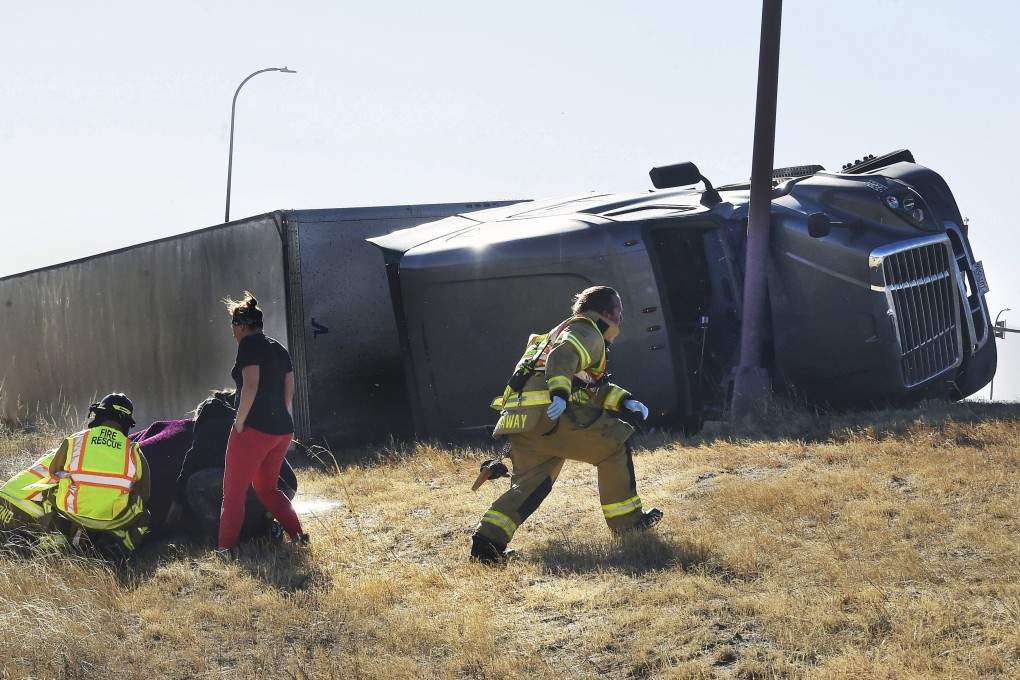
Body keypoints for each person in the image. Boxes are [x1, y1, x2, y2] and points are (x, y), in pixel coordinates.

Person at [470, 285, 662, 564]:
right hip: (551, 415)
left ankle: (486, 545)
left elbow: (588, 387)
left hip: (522, 422)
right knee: (613, 446)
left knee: (530, 485)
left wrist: (624, 401)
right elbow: (562, 360)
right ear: (607, 313)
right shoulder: (588, 330)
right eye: (619, 312)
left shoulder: (555, 333)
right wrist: (559, 395)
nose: (621, 318)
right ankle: (628, 526)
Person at [219, 291, 307, 549]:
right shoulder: (278, 347)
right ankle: (300, 538)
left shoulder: (248, 345)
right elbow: (289, 388)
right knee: (267, 489)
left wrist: (239, 422)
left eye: (233, 327)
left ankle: (224, 549)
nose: (233, 333)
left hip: (254, 430)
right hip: (282, 429)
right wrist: (278, 414)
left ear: (241, 325)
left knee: (233, 494)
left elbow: (251, 384)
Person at [21, 393, 151, 560]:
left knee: (50, 488)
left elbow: (54, 471)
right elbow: (144, 493)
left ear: (100, 414)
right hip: (114, 519)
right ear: (126, 423)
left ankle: (57, 541)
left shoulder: (75, 440)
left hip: (72, 513)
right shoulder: (134, 450)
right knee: (144, 515)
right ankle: (118, 546)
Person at [162, 389, 299, 545]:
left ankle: (226, 541)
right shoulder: (246, 421)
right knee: (237, 490)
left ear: (200, 417)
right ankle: (262, 529)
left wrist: (175, 504)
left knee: (196, 484)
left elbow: (190, 464)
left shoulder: (210, 425)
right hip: (286, 487)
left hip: (262, 489)